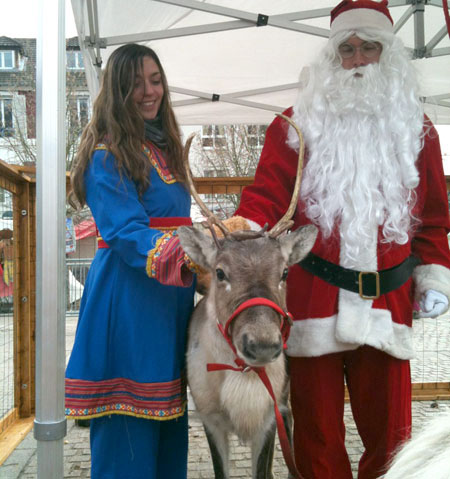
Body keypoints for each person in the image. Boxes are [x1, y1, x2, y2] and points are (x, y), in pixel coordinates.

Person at [232, 1, 450, 478]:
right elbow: (266, 197)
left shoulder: (420, 131)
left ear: (387, 56)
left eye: (368, 48)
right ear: (331, 59)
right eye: (346, 50)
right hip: (314, 303)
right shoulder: (294, 126)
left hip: (387, 305)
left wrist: (434, 276)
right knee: (316, 440)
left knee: (393, 443)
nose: (356, 60)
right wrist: (241, 226)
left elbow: (434, 220)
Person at [65, 43, 198, 479]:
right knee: (128, 441)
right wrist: (191, 256)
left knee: (167, 438)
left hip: (168, 304)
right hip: (128, 304)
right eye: (136, 83)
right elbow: (124, 232)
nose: (149, 91)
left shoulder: (163, 150)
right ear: (116, 91)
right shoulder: (107, 155)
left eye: (155, 80)